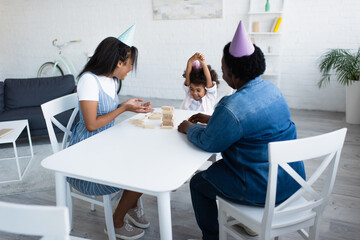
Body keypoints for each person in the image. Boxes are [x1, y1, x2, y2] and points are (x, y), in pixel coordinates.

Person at [178, 21, 306, 240]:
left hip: (262, 188)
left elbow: (210, 143)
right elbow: (251, 124)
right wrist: (212, 118)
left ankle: (211, 237)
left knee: (199, 183)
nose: (223, 75)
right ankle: (246, 220)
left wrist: (189, 128)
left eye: (225, 70)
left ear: (234, 74)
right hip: (293, 181)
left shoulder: (231, 106)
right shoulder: (273, 91)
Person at [67, 24, 154, 240]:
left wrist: (128, 106)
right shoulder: (88, 80)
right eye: (129, 65)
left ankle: (129, 206)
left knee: (148, 158)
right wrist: (124, 108)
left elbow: (106, 113)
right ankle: (116, 221)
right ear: (118, 62)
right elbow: (92, 125)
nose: (129, 70)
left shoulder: (111, 80)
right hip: (85, 155)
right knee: (141, 171)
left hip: (104, 144)